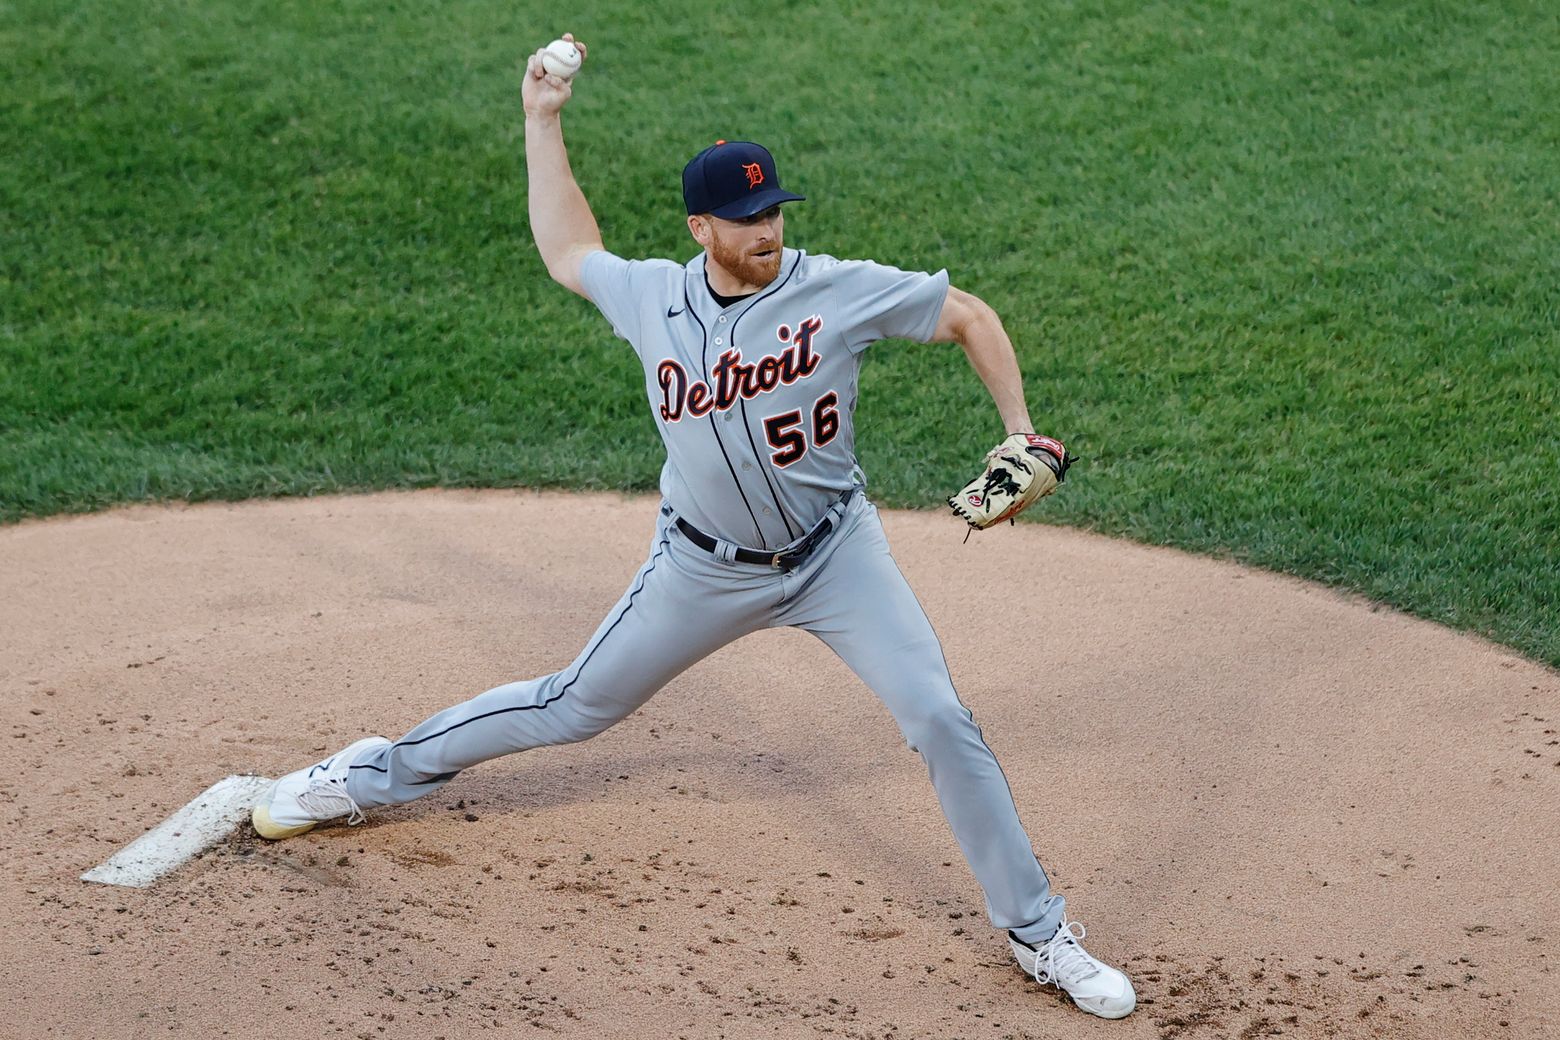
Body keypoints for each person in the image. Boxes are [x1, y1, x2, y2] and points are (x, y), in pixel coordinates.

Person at [250, 34, 1135, 1021]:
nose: (769, 230)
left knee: (938, 715)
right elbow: (567, 248)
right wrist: (542, 121)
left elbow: (967, 313)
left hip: (838, 554)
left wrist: (1020, 430)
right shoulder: (654, 298)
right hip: (703, 569)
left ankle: (1038, 931)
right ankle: (364, 773)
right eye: (748, 218)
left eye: (776, 211)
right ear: (700, 226)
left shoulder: (831, 287)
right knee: (570, 703)